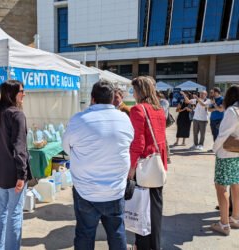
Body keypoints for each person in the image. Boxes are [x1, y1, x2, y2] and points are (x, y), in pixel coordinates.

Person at [63, 80, 134, 250]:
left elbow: (66, 148)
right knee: (117, 233)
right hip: (115, 190)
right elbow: (128, 143)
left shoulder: (79, 119)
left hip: (85, 191)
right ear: (112, 99)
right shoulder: (124, 119)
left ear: (92, 99)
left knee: (85, 234)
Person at [0, 80, 32, 250]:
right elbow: (20, 148)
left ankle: (0, 247)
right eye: (21, 91)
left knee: (3, 211)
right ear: (12, 94)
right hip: (13, 175)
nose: (24, 94)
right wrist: (22, 175)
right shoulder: (16, 114)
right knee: (14, 214)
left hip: (1, 174)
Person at [128, 76, 168, 250]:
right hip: (157, 165)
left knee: (141, 208)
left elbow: (138, 143)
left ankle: (142, 245)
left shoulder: (138, 109)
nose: (133, 93)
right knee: (155, 208)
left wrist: (131, 167)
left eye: (134, 90)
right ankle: (154, 245)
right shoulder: (158, 109)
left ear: (139, 91)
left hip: (144, 165)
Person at [211, 85, 239, 236]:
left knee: (221, 187)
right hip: (237, 153)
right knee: (236, 183)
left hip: (226, 153)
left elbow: (223, 134)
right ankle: (235, 217)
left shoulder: (232, 111)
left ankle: (224, 223)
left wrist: (214, 149)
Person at [157, 91, 171, 164]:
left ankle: (168, 157)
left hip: (162, 123)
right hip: (157, 122)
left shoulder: (164, 102)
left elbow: (161, 110)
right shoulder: (158, 102)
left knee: (164, 139)